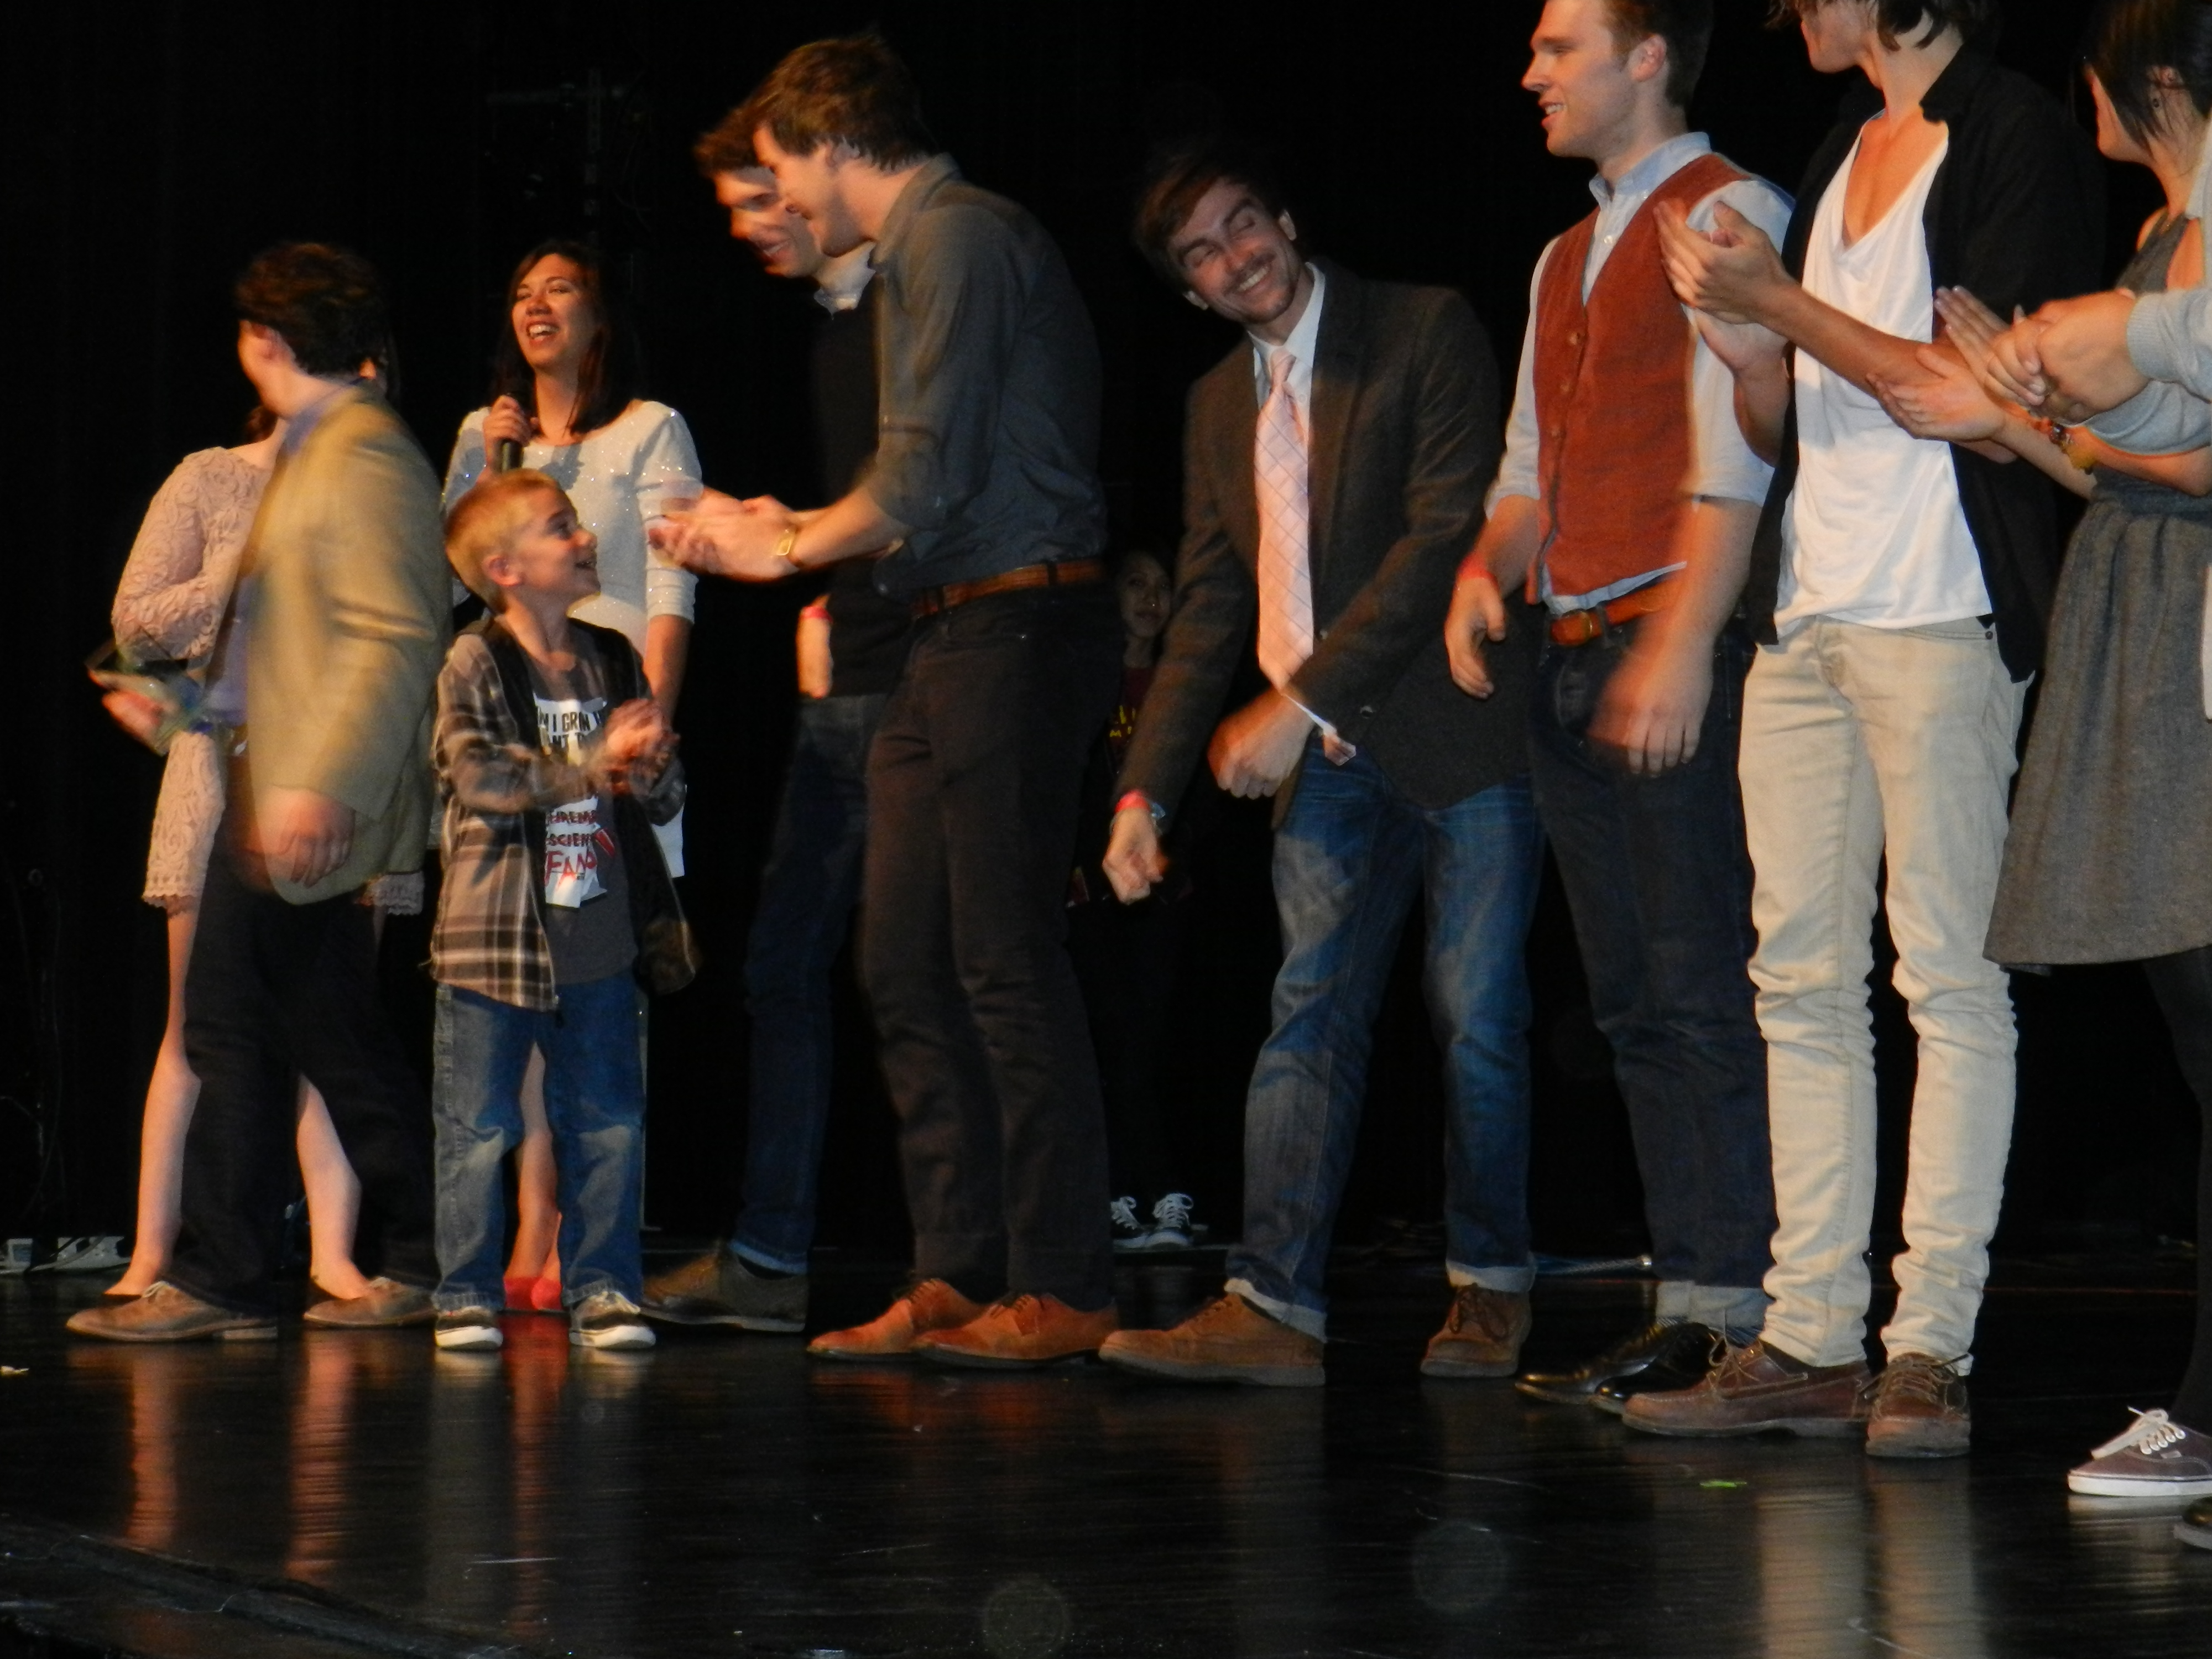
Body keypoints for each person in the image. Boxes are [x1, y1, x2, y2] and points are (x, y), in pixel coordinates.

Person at [1626, 0, 2102, 1454]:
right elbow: (1794, 428)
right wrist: (1749, 351)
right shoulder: (1844, 149)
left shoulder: (2015, 133)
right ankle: (1812, 1337)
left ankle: (1926, 1351)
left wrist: (1776, 305)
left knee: (1948, 980)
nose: (1794, 12)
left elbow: (1953, 393)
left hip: (1941, 613)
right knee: (1800, 984)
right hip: (1814, 612)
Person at [652, 35, 1124, 1368]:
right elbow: (922, 490)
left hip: (1017, 623)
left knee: (1002, 957)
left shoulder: (958, 237)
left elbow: (921, 474)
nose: (785, 201)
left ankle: (1065, 1279)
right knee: (903, 957)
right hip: (943, 630)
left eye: (787, 171)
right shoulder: (918, 256)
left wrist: (785, 544)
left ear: (837, 142)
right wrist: (792, 522)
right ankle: (958, 1267)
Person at [1094, 136, 1541, 1389]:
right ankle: (1274, 1308)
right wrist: (1144, 793)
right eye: (1205, 256)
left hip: (1461, 734)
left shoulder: (1418, 326)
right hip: (1331, 763)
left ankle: (1493, 1288)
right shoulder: (1211, 407)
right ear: (1190, 290)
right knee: (1305, 1019)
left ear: (1282, 213)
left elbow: (1441, 531)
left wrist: (1293, 699)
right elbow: (1201, 613)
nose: (1240, 258)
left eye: (1246, 224)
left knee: (1479, 1021)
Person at [1443, 0, 1788, 1415]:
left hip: (1669, 631)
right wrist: (1485, 566)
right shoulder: (1563, 252)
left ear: (1646, 58)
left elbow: (1745, 451)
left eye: (1557, 47)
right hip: (1573, 646)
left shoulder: (1728, 210)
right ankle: (1687, 1297)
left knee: (1700, 983)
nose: (1529, 70)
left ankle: (1737, 1307)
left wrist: (1684, 643)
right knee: (1635, 996)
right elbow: (1530, 462)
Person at [1917, 0, 2212, 1512]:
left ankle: (2204, 1408)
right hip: (2148, 624)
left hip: (2187, 634)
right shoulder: (2170, 232)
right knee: (2193, 1026)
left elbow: (2191, 464)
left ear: (2152, 80)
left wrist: (2061, 409)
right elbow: (2127, 470)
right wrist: (2020, 410)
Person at [70, 242, 451, 1342]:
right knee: (296, 1028)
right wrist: (182, 706)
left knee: (265, 1027)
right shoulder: (320, 454)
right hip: (269, 785)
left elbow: (395, 636)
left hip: (309, 799)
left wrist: (323, 787)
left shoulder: (363, 458)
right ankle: (352, 1258)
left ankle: (252, 1269)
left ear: (268, 343)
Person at [641, 116, 911, 1333]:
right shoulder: (835, 333)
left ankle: (986, 1265)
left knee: (927, 977)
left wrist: (792, 545)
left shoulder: (913, 304)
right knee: (783, 967)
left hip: (916, 686)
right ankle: (769, 1256)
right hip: (839, 684)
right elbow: (867, 509)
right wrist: (802, 557)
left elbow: (931, 500)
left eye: (765, 199)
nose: (754, 228)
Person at [443, 240, 702, 1314]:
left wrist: (650, 735)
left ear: (599, 311)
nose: (535, 303)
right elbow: (447, 560)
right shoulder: (484, 432)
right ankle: (524, 1225)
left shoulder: (649, 428)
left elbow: (673, 579)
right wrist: (489, 461)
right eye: (519, 288)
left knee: (598, 1008)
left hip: (611, 716)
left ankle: (583, 1248)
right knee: (506, 1006)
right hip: (525, 750)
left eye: (557, 286)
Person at [103, 408, 392, 1308]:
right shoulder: (210, 475)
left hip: (340, 778)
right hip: (218, 772)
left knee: (327, 1030)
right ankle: (155, 1254)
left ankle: (331, 1257)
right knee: (196, 1026)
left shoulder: (379, 485)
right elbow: (134, 620)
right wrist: (238, 573)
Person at [430, 469, 687, 1353]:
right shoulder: (475, 661)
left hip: (599, 935)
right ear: (504, 568)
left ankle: (605, 1288)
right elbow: (483, 779)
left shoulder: (612, 656)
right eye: (560, 526)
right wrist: (593, 764)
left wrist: (650, 766)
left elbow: (658, 797)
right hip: (493, 941)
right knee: (477, 1127)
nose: (582, 538)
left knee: (611, 1119)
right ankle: (464, 1293)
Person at [1065, 548, 1210, 1252]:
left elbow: (1202, 789)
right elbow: (1064, 784)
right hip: (1092, 894)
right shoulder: (1086, 683)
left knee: (1151, 1042)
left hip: (1163, 893)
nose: (1151, 598)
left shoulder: (1181, 685)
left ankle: (1166, 1195)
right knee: (1106, 1039)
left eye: (1163, 585)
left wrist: (1182, 868)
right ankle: (1117, 1192)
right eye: (1136, 583)